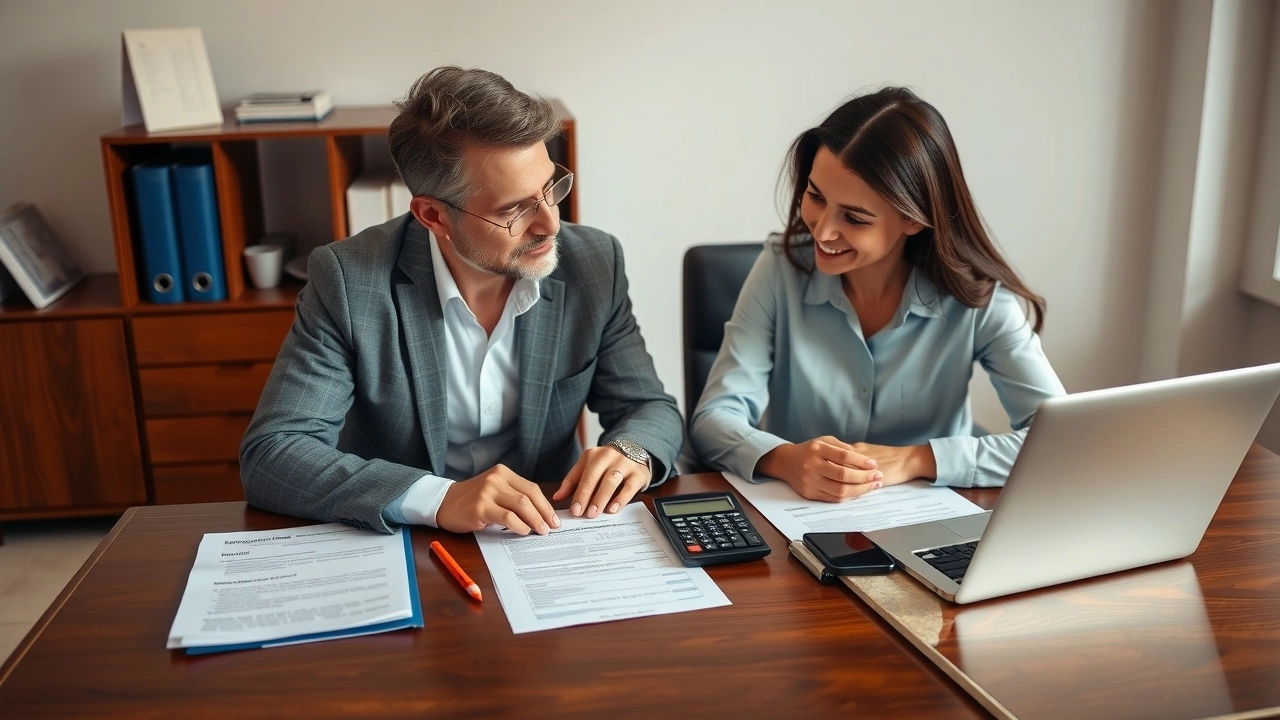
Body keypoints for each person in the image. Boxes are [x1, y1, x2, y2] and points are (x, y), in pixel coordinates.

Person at [241, 67, 682, 535]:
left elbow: (649, 407)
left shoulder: (594, 262)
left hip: (548, 533)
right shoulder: (349, 279)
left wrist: (630, 453)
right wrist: (438, 497)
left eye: (551, 189)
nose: (551, 224)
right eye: (514, 209)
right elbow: (274, 452)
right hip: (412, 542)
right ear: (433, 215)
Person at [689, 87, 1064, 502]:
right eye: (816, 197)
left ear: (912, 219)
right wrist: (785, 459)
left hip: (935, 530)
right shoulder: (779, 269)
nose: (823, 230)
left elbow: (1063, 443)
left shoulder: (979, 299)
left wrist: (916, 460)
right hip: (798, 523)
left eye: (854, 217)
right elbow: (712, 419)